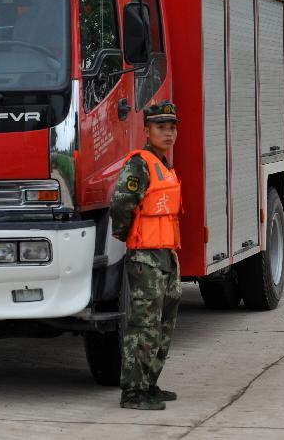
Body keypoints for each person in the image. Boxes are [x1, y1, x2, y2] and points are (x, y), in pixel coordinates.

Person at [110, 101, 182, 411]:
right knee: (143, 326)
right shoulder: (138, 164)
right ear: (147, 130)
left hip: (166, 255)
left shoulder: (164, 165)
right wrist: (128, 236)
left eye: (172, 127)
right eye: (161, 127)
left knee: (163, 325)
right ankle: (133, 392)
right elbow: (121, 204)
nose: (168, 133)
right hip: (146, 258)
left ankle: (149, 384)